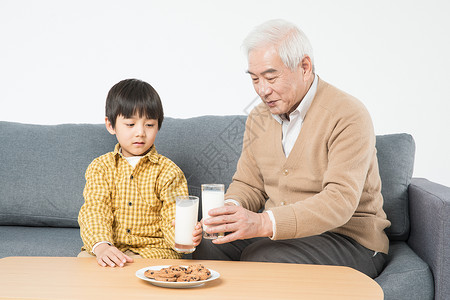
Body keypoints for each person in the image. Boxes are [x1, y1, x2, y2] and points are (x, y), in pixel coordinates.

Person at [193, 19, 391, 278]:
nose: (263, 90)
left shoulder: (348, 114)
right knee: (211, 244)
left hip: (349, 240)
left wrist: (264, 222)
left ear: (305, 66)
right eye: (255, 79)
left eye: (271, 77)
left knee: (262, 257)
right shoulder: (259, 117)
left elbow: (340, 200)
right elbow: (249, 184)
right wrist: (229, 212)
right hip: (281, 237)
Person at [78, 79, 202, 267]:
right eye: (130, 124)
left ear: (158, 126)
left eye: (149, 125)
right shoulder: (100, 167)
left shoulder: (169, 172)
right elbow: (95, 210)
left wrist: (185, 235)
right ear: (111, 125)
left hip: (155, 252)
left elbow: (172, 219)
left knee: (143, 272)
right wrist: (102, 246)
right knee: (85, 264)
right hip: (111, 247)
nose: (140, 133)